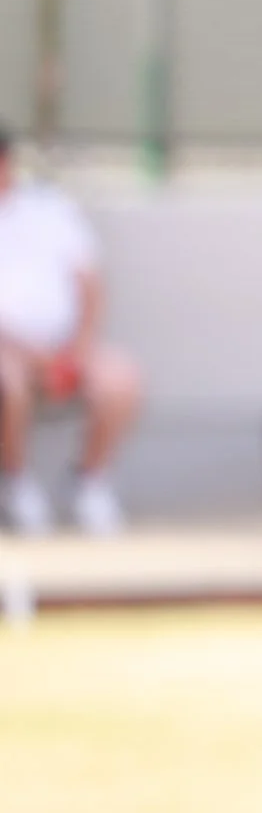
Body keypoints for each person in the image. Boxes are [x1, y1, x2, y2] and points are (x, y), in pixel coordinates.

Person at [0, 124, 143, 536]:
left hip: (65, 346)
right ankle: (17, 484)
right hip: (10, 352)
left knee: (120, 377)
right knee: (7, 380)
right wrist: (34, 356)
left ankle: (89, 482)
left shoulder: (50, 210)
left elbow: (90, 284)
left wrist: (76, 351)